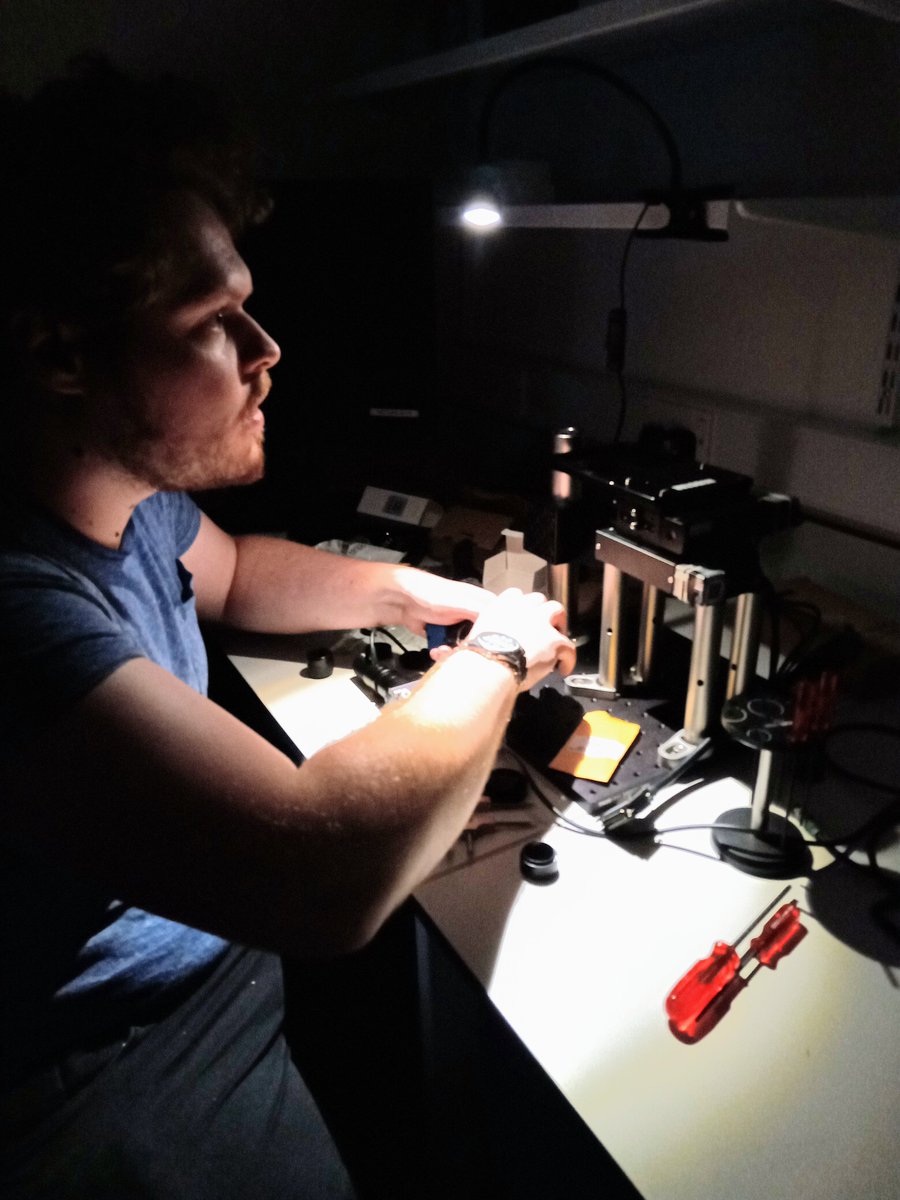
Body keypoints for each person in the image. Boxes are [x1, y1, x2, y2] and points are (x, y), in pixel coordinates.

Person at [0, 59, 575, 1198]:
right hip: (100, 1081)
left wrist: (419, 596)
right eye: (215, 322)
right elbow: (324, 869)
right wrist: (499, 654)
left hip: (221, 994)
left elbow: (241, 572)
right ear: (64, 356)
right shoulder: (17, 607)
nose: (267, 352)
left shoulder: (127, 496)